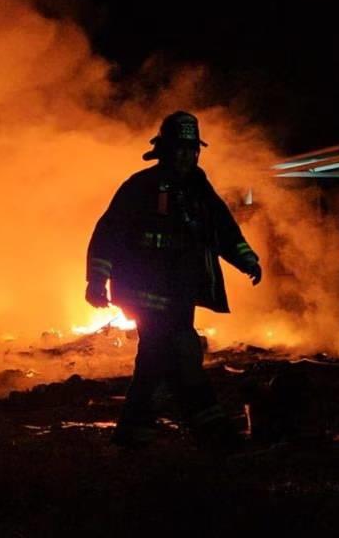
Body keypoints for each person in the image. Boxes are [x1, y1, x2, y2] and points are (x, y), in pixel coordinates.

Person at [85, 111, 262, 450]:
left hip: (180, 292)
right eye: (180, 148)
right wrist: (97, 280)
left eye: (192, 148)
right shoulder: (140, 187)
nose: (187, 155)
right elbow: (107, 234)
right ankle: (213, 434)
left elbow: (223, 229)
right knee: (179, 350)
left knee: (157, 360)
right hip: (144, 293)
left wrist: (246, 258)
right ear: (164, 149)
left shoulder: (199, 189)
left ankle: (134, 435)